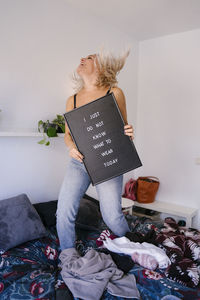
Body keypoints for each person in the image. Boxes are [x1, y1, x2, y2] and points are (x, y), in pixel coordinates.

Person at [56, 50, 134, 250]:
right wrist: (71, 147)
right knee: (63, 211)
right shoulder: (71, 100)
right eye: (83, 57)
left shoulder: (114, 93)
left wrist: (128, 131)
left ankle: (131, 244)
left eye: (90, 58)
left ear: (101, 68)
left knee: (111, 216)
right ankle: (67, 256)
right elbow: (68, 135)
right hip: (79, 162)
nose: (82, 58)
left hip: (107, 160)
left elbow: (122, 127)